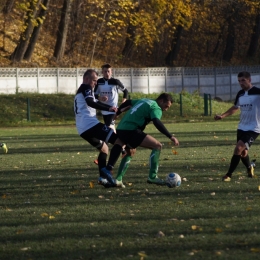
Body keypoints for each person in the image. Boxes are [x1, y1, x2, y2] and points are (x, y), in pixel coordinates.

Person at [101, 93, 180, 187]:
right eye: (166, 106)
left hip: (121, 128)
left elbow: (128, 102)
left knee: (131, 152)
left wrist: (118, 112)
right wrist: (170, 136)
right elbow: (156, 121)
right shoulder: (156, 107)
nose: (166, 109)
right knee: (157, 146)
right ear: (161, 101)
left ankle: (118, 180)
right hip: (131, 130)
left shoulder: (145, 100)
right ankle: (152, 177)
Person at [74, 69, 119, 187]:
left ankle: (102, 179)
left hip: (82, 129)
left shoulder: (83, 90)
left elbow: (92, 100)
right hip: (91, 125)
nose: (95, 83)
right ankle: (108, 169)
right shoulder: (86, 87)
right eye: (94, 80)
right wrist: (109, 108)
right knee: (118, 141)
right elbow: (90, 102)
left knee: (104, 149)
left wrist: (104, 103)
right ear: (87, 79)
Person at [214, 71, 259, 181]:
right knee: (243, 153)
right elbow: (235, 107)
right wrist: (222, 116)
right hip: (241, 127)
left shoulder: (258, 92)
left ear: (249, 80)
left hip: (254, 128)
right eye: (239, 81)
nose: (241, 83)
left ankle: (228, 175)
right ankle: (250, 167)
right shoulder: (240, 94)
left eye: (243, 80)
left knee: (238, 148)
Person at [93, 63, 128, 164]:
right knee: (112, 131)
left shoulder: (115, 82)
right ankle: (124, 150)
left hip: (113, 110)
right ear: (102, 72)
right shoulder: (99, 82)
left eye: (108, 71)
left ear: (111, 72)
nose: (107, 73)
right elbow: (94, 96)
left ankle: (101, 156)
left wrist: (124, 100)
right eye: (105, 71)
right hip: (104, 110)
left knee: (106, 131)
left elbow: (125, 91)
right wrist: (100, 98)